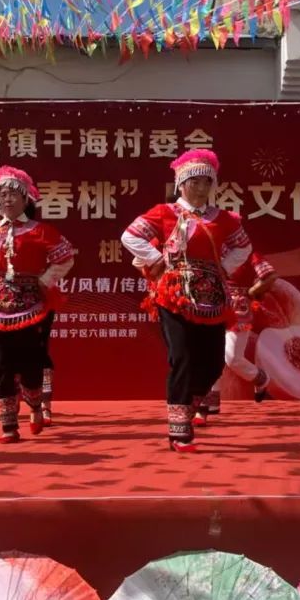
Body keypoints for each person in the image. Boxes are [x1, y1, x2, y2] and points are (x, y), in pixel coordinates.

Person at [121, 149, 252, 453]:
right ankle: (179, 429)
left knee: (212, 363)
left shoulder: (224, 218)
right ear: (181, 184)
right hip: (174, 294)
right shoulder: (165, 213)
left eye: (207, 182)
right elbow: (130, 236)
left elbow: (243, 247)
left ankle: (189, 406)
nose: (201, 188)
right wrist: (159, 259)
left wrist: (223, 268)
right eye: (194, 182)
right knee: (181, 357)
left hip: (213, 297)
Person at [0, 166, 74, 443]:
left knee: (30, 364)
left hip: (29, 305)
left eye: (13, 194)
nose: (7, 200)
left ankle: (35, 405)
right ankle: (8, 424)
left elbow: (65, 258)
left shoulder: (41, 231)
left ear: (26, 199)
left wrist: (45, 280)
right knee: (1, 364)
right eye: (2, 194)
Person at [203, 238, 277, 421]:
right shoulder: (210, 251)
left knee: (232, 358)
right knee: (213, 355)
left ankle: (261, 379)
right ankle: (212, 402)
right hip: (213, 306)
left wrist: (251, 293)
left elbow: (270, 276)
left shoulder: (248, 253)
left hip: (239, 310)